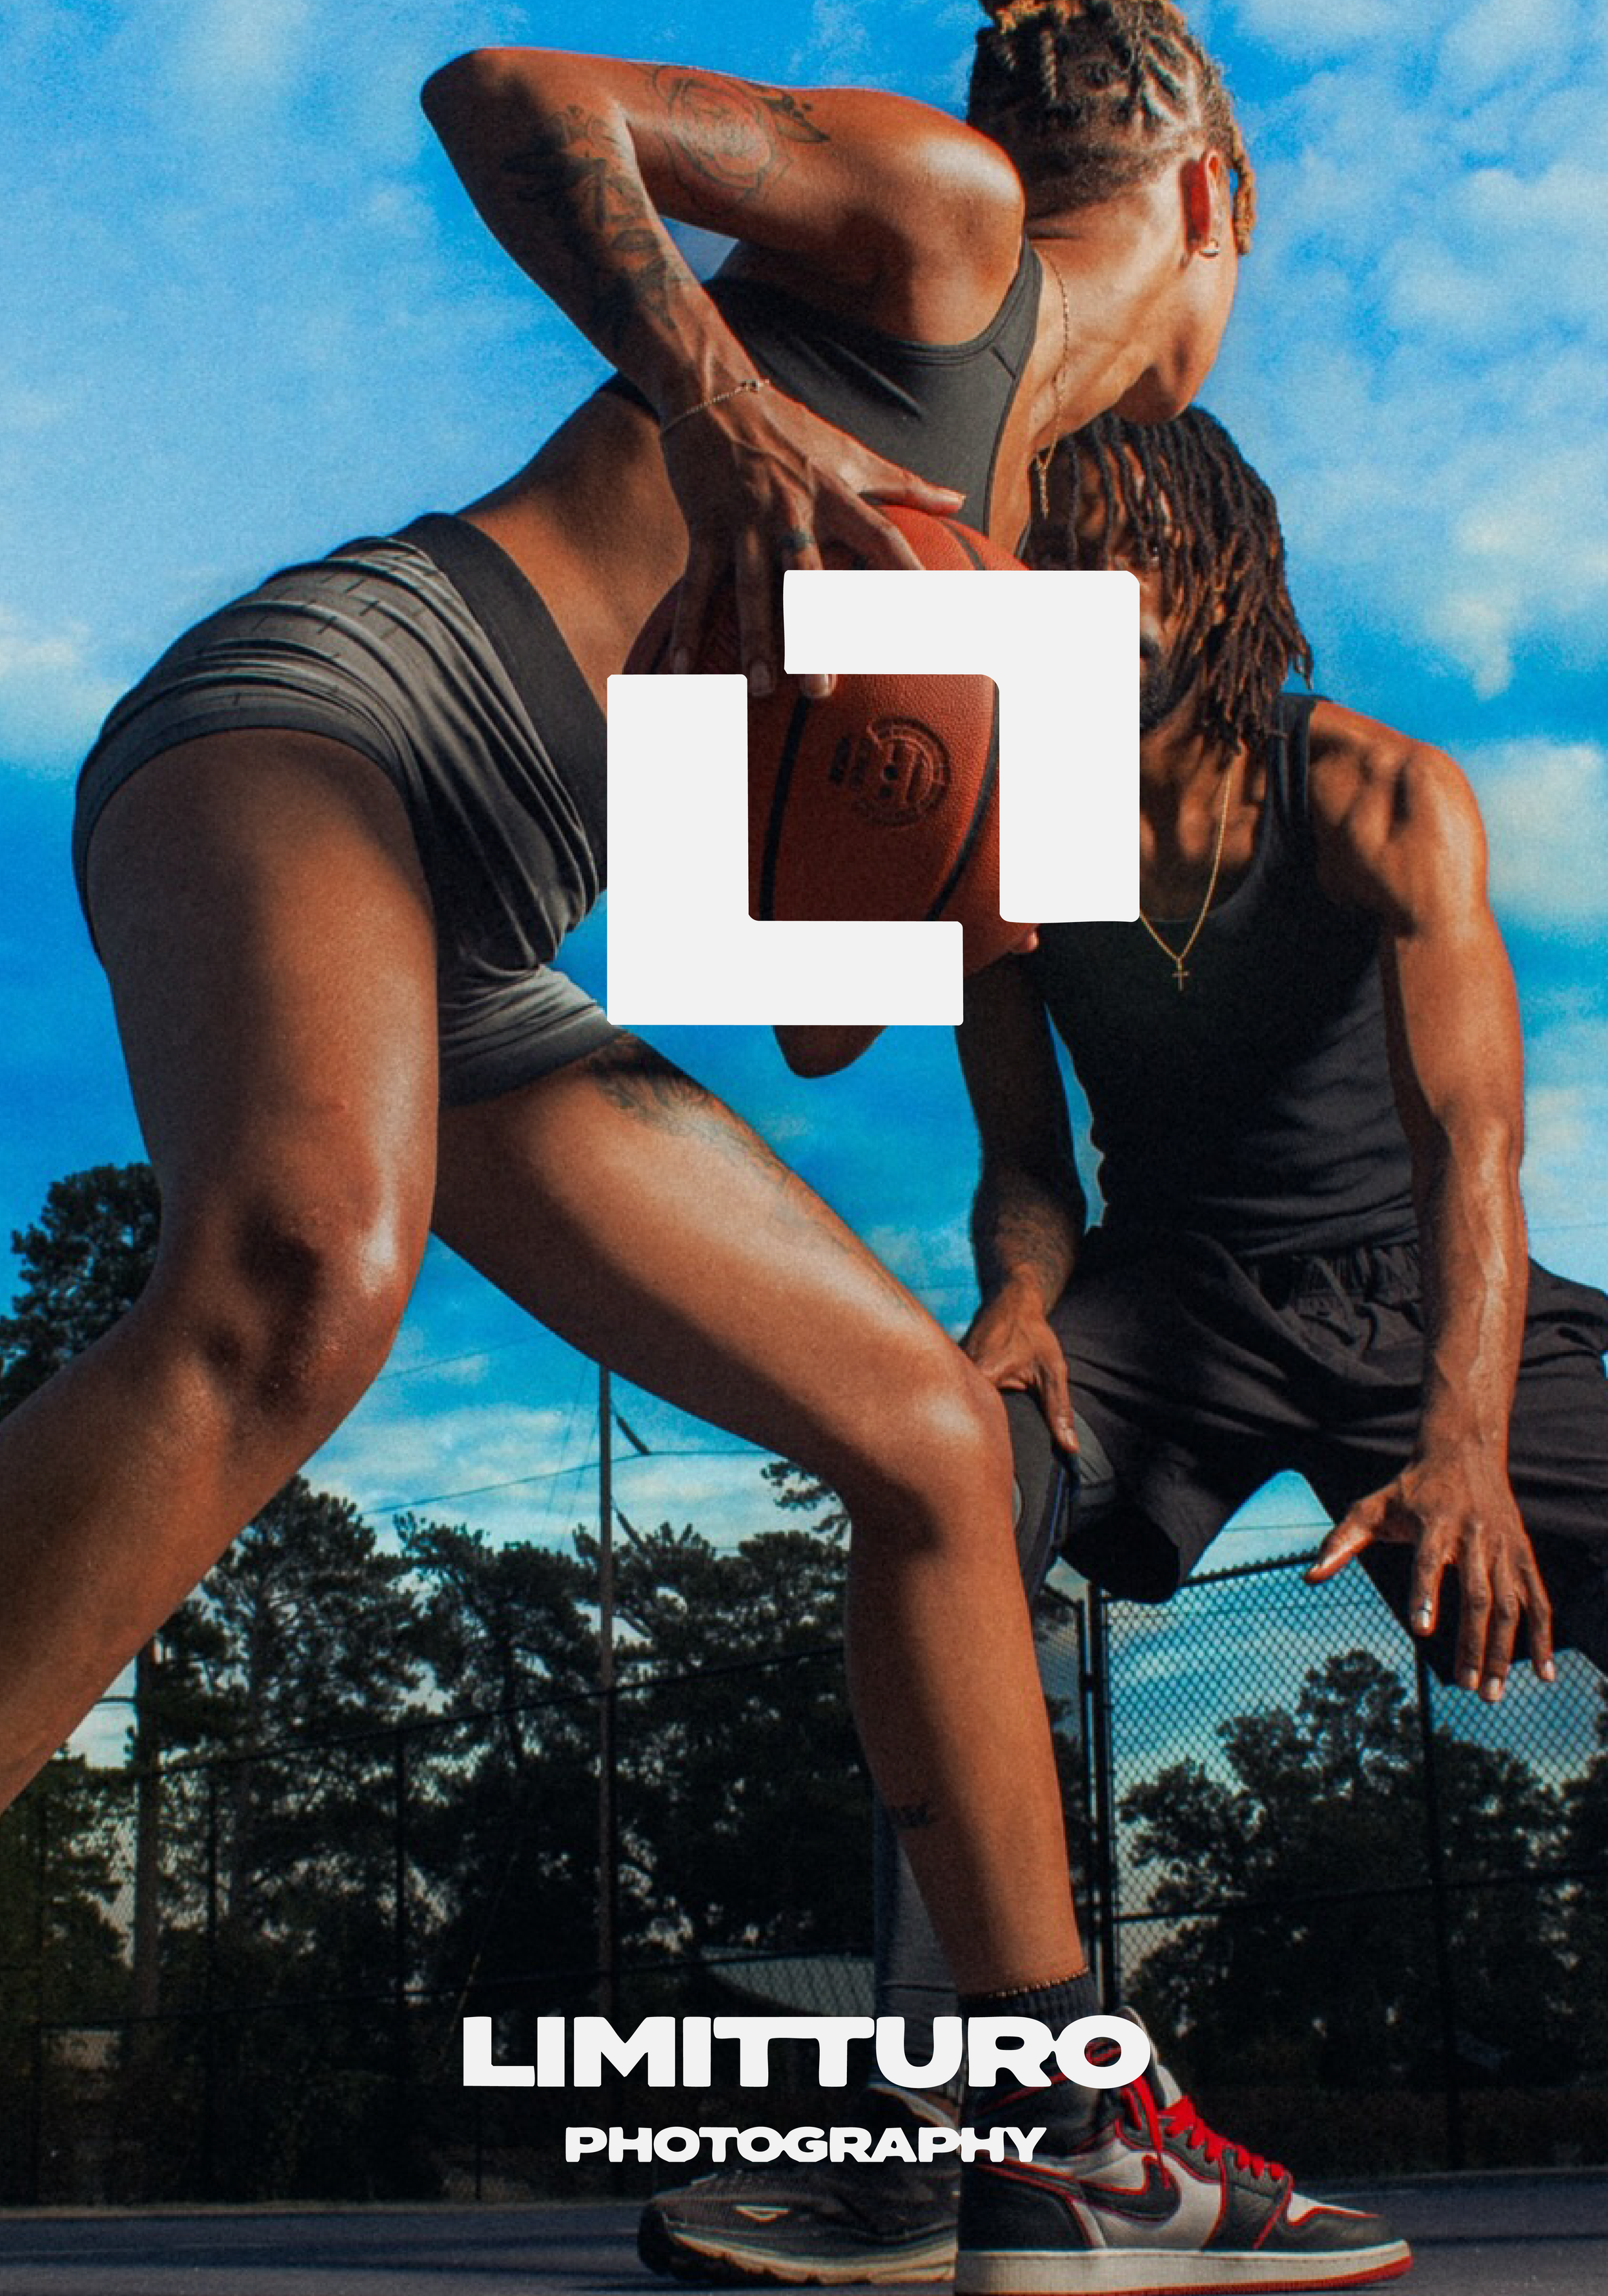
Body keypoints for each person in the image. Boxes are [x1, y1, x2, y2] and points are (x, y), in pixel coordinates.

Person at [2, 8, 1409, 2291]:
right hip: (334, 724)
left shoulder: (1017, 564)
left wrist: (920, 790)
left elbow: (818, 1012)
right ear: (1216, 195)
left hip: (487, 924)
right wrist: (714, 403)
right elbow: (503, 97)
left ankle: (1063, 2135)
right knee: (300, 1274)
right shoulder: (950, 222)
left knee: (928, 1442)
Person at [641, 405, 1608, 2287]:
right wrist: (1017, 1298)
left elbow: (1472, 1148)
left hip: (1406, 1283)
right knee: (941, 1482)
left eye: (1103, 566)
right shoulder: (1002, 821)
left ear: (1216, 582)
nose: (1057, 602)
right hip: (1163, 1293)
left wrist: (1466, 1441)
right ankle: (958, 2138)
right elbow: (1026, 1163)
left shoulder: (1376, 794)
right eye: (1035, 567)